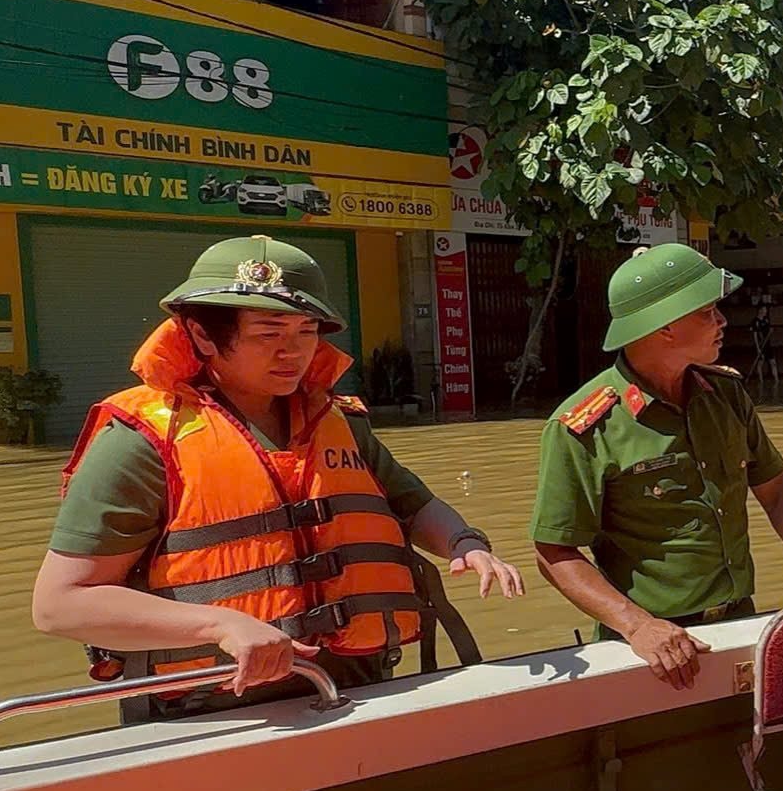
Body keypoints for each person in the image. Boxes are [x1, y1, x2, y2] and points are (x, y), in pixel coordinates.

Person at [33, 235, 523, 720]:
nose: (293, 352)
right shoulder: (141, 441)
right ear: (202, 335)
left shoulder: (340, 422)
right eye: (268, 334)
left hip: (356, 689)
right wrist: (218, 624)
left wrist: (464, 542)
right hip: (213, 710)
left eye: (306, 331)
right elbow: (60, 605)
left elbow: (412, 505)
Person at [531, 246, 783, 690]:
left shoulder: (726, 394)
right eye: (708, 312)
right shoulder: (585, 427)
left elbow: (776, 490)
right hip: (651, 648)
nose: (723, 322)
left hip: (740, 620)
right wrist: (636, 625)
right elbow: (554, 552)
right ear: (665, 327)